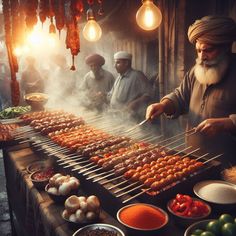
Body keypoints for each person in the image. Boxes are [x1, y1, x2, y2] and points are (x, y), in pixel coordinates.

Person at [146, 15, 236, 168]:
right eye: (198, 51)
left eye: (208, 50)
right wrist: (163, 105)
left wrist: (228, 123)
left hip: (228, 166)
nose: (202, 57)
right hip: (193, 159)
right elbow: (180, 96)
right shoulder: (196, 71)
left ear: (226, 47)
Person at [108, 51, 152, 121]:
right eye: (115, 63)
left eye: (118, 62)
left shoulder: (137, 75)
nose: (114, 65)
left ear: (126, 63)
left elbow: (149, 94)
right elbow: (111, 94)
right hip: (117, 118)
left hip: (132, 119)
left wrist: (135, 103)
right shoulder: (118, 77)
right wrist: (102, 95)